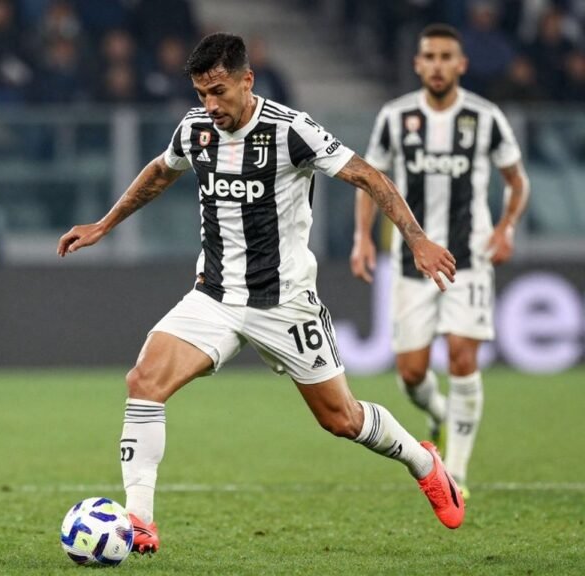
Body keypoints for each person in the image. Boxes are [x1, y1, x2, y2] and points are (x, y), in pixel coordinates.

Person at [57, 32, 466, 554]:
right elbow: (162, 170)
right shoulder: (196, 129)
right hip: (214, 297)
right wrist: (103, 224)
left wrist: (417, 239)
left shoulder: (291, 131)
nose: (211, 106)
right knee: (144, 382)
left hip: (285, 303)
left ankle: (425, 463)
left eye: (219, 92)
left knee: (342, 419)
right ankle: (139, 523)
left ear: (247, 81)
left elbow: (367, 175)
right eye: (202, 94)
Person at [350, 23, 529, 500]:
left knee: (463, 358)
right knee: (410, 374)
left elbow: (517, 180)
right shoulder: (395, 117)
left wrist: (506, 226)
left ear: (461, 65)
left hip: (468, 259)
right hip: (411, 265)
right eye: (428, 56)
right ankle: (439, 414)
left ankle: (458, 474)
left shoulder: (486, 118)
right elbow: (370, 179)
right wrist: (361, 238)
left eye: (446, 57)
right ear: (417, 63)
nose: (436, 65)